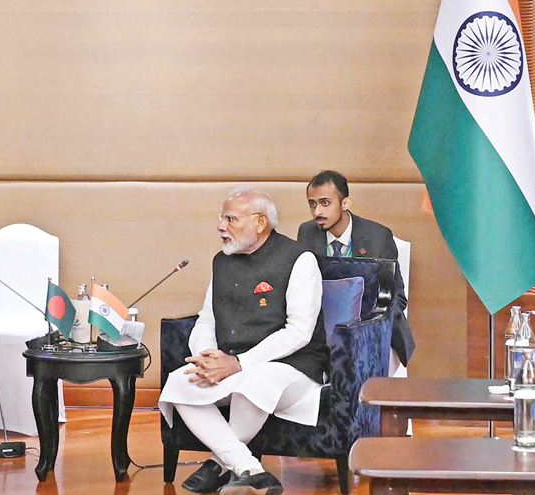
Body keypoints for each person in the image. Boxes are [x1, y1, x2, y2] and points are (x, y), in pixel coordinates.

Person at [159, 187, 328, 495]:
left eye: (230, 219)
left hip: (290, 368)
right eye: (221, 218)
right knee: (180, 382)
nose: (220, 227)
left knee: (256, 382)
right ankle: (249, 469)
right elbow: (207, 319)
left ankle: (218, 465)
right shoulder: (222, 262)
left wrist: (240, 364)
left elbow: (299, 331)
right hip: (232, 364)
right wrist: (208, 358)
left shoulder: (299, 259)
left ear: (260, 222)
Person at [296, 170, 415, 366]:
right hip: (323, 334)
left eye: (325, 203)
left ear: (345, 203)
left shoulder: (378, 237)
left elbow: (396, 297)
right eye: (312, 204)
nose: (317, 212)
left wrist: (366, 333)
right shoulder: (307, 233)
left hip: (372, 332)